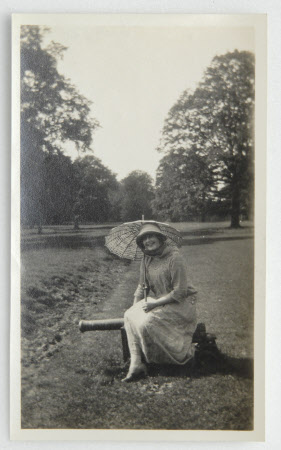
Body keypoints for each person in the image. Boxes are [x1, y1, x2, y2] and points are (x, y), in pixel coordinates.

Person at [122, 223, 197, 382]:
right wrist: (134, 307)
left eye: (151, 236)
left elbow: (180, 292)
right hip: (162, 303)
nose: (148, 241)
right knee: (129, 315)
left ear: (160, 238)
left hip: (181, 305)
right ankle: (136, 364)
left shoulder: (175, 258)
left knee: (146, 323)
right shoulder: (146, 260)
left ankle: (172, 359)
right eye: (144, 239)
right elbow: (142, 287)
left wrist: (154, 304)